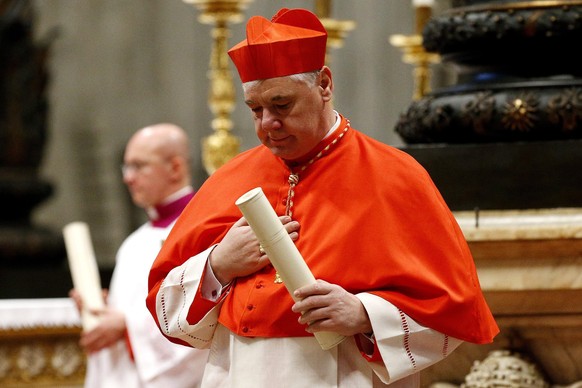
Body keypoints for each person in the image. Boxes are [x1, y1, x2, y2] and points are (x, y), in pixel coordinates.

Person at [146, 8, 499, 388]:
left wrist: (364, 313)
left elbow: (453, 311)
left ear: (324, 85)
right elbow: (164, 307)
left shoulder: (396, 176)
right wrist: (219, 264)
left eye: (282, 105)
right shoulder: (230, 178)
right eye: (256, 109)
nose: (267, 124)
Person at [70, 123, 209, 388]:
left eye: (138, 166)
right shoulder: (134, 242)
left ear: (175, 168)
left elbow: (201, 320)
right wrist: (100, 309)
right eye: (126, 167)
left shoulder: (201, 229)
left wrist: (125, 325)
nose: (127, 177)